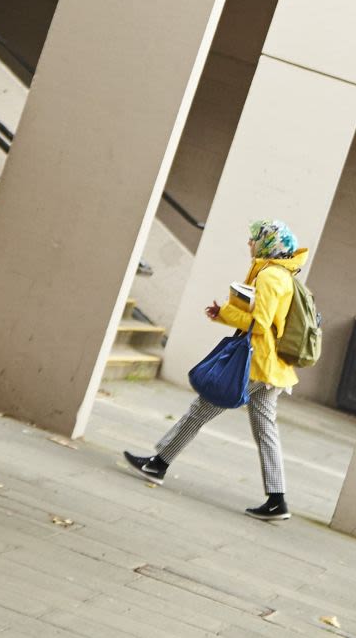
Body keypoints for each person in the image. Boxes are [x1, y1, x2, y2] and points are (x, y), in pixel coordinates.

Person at [125, 219, 309, 522]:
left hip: (256, 364)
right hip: (272, 368)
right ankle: (277, 500)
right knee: (266, 431)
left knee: (201, 409)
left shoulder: (271, 277)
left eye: (254, 239)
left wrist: (226, 311)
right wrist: (227, 312)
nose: (249, 244)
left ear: (268, 243)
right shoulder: (283, 275)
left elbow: (260, 324)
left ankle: (158, 463)